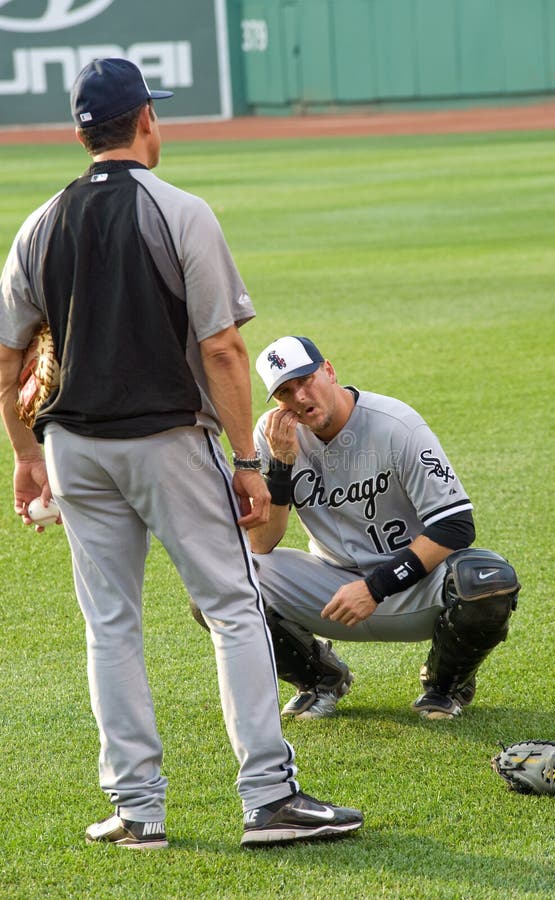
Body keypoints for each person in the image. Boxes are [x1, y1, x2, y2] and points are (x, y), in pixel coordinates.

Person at [0, 59, 363, 849]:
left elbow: (7, 359)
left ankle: (137, 811)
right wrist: (244, 458)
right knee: (233, 607)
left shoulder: (37, 224)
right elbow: (226, 350)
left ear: (80, 133)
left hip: (73, 450)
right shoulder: (180, 211)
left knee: (111, 627)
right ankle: (268, 799)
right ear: (145, 122)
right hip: (166, 439)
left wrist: (26, 455)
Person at [249, 335, 520, 721]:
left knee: (486, 579)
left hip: (413, 583)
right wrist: (280, 469)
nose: (300, 398)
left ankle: (446, 686)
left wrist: (376, 587)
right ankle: (320, 678)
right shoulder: (274, 435)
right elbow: (261, 544)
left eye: (306, 380)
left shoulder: (395, 425)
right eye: (285, 392)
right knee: (226, 581)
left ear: (329, 370)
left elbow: (455, 524)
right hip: (331, 586)